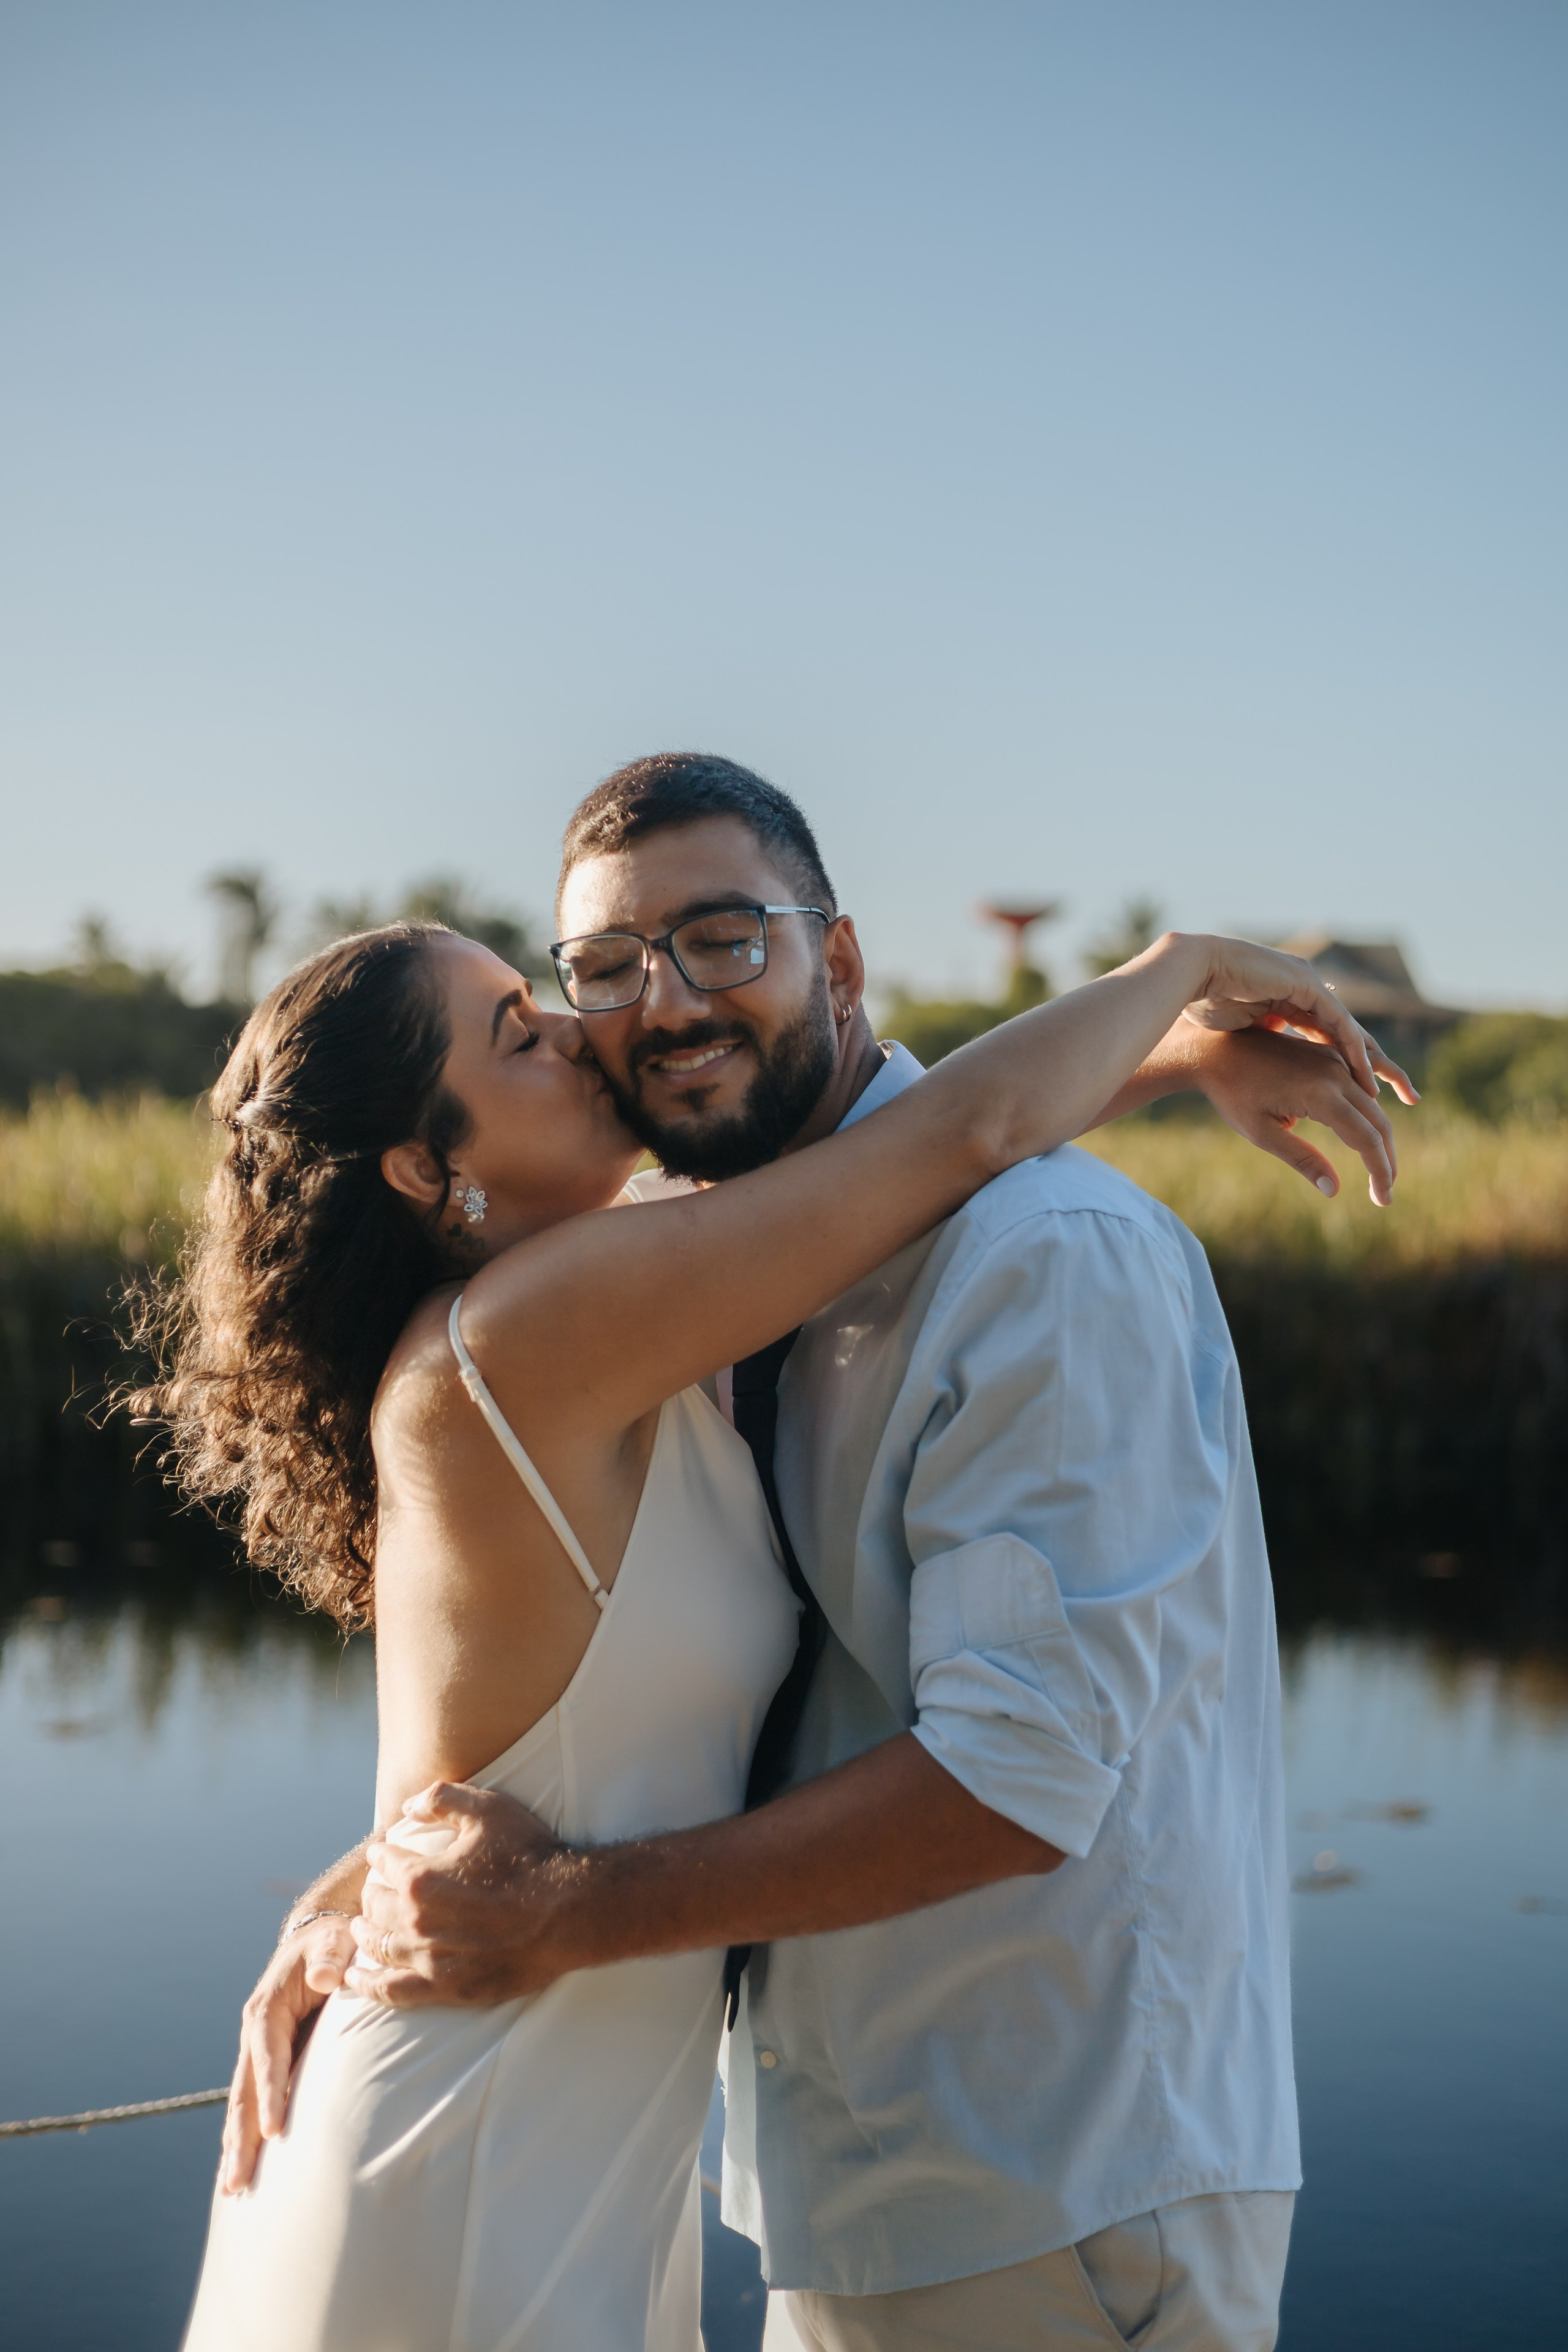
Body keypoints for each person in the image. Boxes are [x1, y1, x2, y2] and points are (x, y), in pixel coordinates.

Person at [214, 759, 1414, 2352]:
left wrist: (1169, 1030)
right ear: (432, 1173)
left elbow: (921, 1148)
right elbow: (933, 1137)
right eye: (565, 996)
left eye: (724, 941)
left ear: (838, 961)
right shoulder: (562, 1317)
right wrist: (1168, 996)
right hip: (578, 2127)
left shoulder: (1004, 1259)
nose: (620, 1021)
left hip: (1046, 2183)